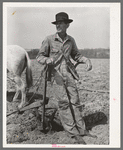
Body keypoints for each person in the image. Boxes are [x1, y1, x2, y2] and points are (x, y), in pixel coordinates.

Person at [36, 12, 95, 144]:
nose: (58, 26)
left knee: (75, 101)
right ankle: (73, 133)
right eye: (57, 23)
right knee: (64, 103)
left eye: (61, 23)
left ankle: (82, 129)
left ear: (67, 25)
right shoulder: (49, 39)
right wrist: (47, 60)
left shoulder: (71, 40)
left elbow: (76, 55)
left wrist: (86, 60)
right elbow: (39, 57)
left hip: (69, 74)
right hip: (55, 75)